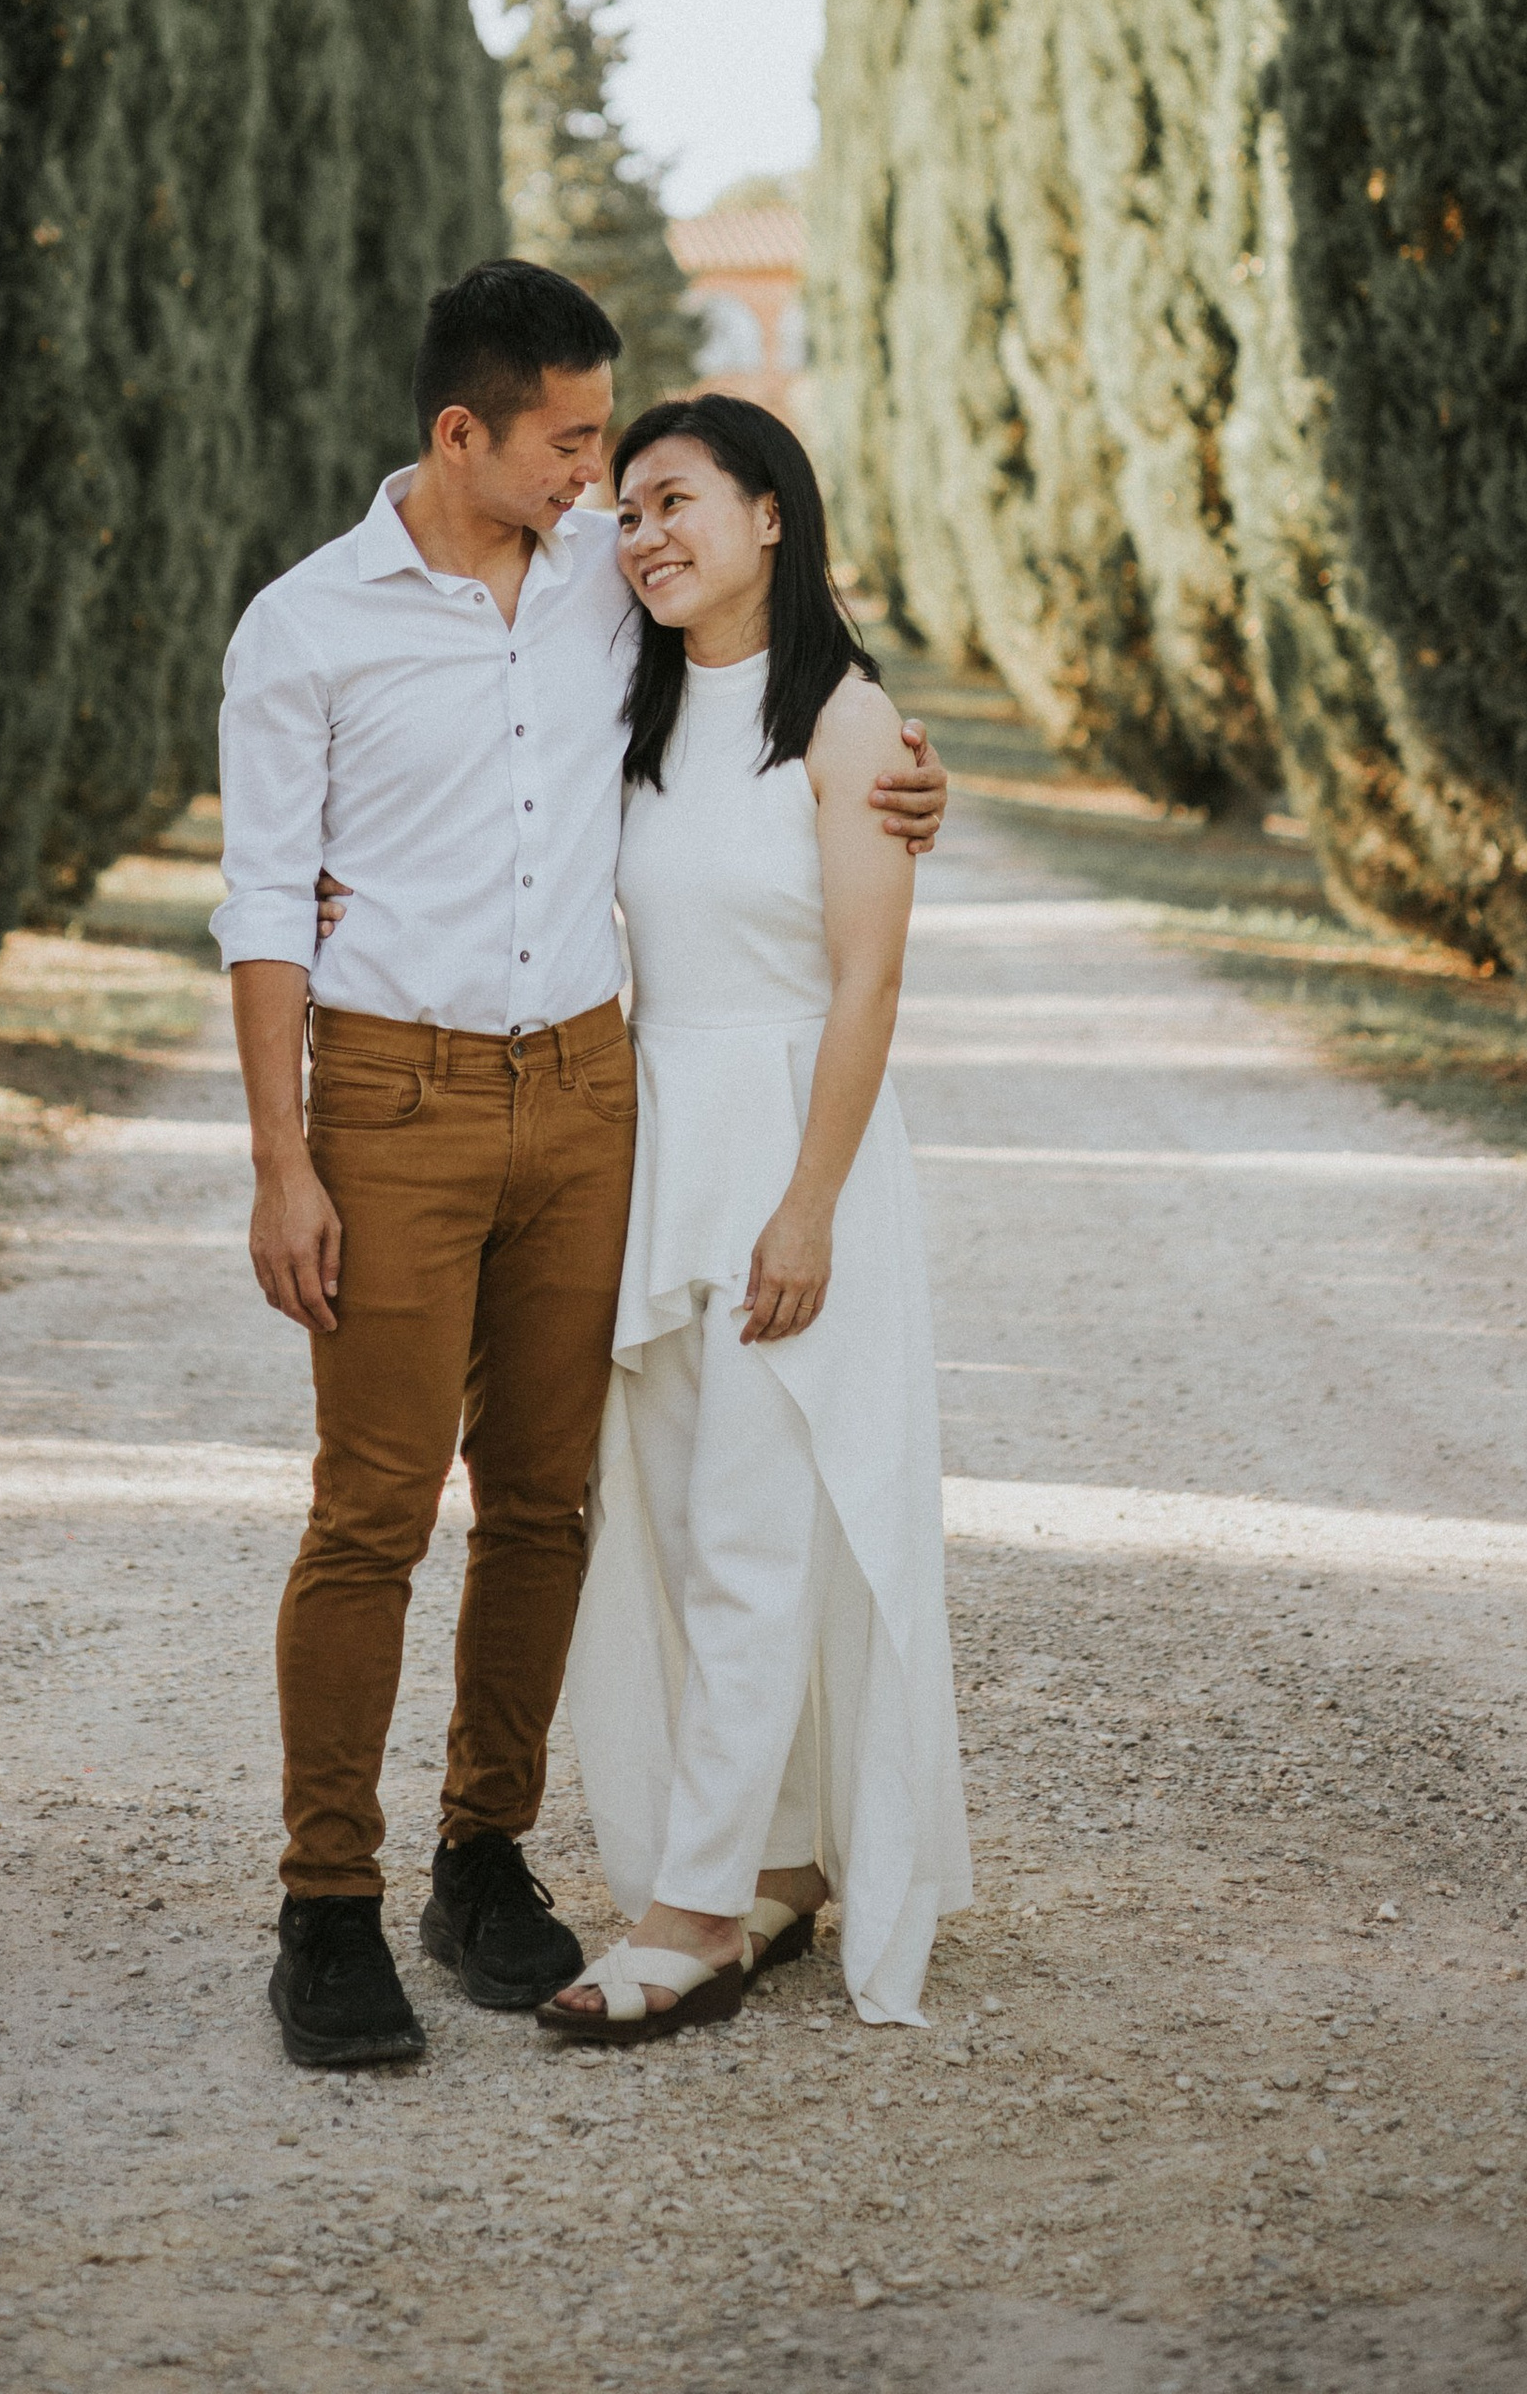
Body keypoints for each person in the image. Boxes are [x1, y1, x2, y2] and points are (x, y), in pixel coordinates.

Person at [212, 261, 950, 2069]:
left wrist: (901, 762)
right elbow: (258, 909)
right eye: (570, 444)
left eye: (616, 451)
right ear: (460, 434)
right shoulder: (303, 628)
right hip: (389, 1099)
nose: (600, 484)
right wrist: (281, 1160)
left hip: (593, 1105)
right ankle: (326, 1903)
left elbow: (770, 693)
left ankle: (481, 1854)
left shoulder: (604, 606)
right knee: (374, 1504)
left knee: (550, 1501)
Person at [544, 394, 969, 2045]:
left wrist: (812, 1206)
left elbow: (869, 984)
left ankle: (695, 1911)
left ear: (771, 513)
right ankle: (782, 1858)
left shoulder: (849, 726)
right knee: (662, 1520)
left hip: (798, 1156)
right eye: (625, 512)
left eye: (677, 502)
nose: (644, 535)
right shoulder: (631, 710)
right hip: (659, 1149)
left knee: (752, 1527)